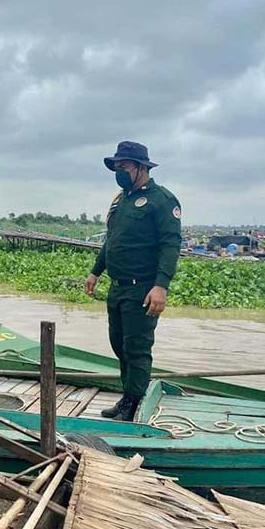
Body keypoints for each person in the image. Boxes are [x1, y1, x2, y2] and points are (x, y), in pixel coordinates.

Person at [85, 141, 182, 421]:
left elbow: (170, 245)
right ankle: (128, 395)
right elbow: (112, 241)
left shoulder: (162, 200)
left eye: (124, 166)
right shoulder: (121, 200)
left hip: (143, 288)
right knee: (119, 344)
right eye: (116, 167)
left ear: (141, 168)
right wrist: (95, 272)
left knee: (136, 347)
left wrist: (161, 285)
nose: (119, 172)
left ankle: (133, 402)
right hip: (118, 287)